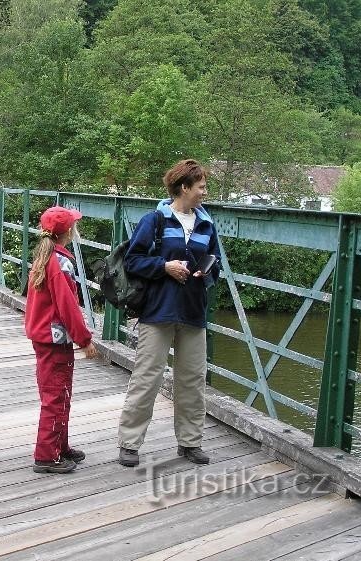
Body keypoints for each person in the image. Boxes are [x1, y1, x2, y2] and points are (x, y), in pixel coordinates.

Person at [117, 159, 221, 468]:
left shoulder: (207, 224)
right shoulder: (156, 220)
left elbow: (215, 264)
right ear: (184, 187)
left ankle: (190, 443)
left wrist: (207, 274)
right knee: (146, 378)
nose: (205, 192)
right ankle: (129, 443)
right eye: (201, 186)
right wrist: (164, 266)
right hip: (158, 311)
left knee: (192, 380)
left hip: (193, 311)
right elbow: (132, 261)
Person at [24, 206, 98, 474]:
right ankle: (46, 456)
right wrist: (85, 339)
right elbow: (68, 307)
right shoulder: (61, 263)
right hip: (55, 340)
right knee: (56, 396)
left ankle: (59, 446)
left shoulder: (45, 257)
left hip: (43, 336)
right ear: (67, 231)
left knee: (58, 393)